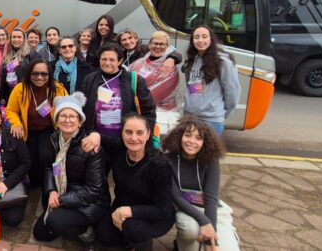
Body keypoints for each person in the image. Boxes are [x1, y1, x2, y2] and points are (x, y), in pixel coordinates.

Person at [31, 93, 107, 243]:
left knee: (54, 222)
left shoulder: (90, 147)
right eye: (63, 116)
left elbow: (94, 190)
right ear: (57, 121)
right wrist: (52, 190)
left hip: (89, 202)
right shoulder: (54, 140)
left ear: (80, 121)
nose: (67, 120)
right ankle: (65, 221)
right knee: (40, 233)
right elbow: (49, 167)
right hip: (64, 193)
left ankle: (86, 229)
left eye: (72, 116)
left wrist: (61, 199)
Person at [94, 114, 175, 250]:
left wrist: (128, 211)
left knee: (132, 228)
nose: (133, 138)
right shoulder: (119, 148)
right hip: (123, 205)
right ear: (122, 133)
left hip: (154, 215)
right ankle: (128, 242)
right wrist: (94, 135)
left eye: (140, 133)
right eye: (128, 132)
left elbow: (163, 209)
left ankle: (141, 244)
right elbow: (100, 137)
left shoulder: (160, 165)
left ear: (148, 134)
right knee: (103, 234)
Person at [162, 116, 239, 251]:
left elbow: (210, 197)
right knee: (190, 231)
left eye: (198, 138)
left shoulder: (211, 160)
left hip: (212, 209)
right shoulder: (167, 160)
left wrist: (211, 236)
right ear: (179, 136)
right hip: (185, 208)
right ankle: (180, 244)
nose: (192, 141)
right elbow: (175, 196)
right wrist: (204, 221)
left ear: (205, 142)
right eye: (188, 135)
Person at [5, 59, 68, 192]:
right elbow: (10, 110)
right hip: (27, 129)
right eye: (35, 74)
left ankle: (47, 185)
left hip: (48, 129)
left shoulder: (58, 89)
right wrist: (16, 123)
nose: (39, 77)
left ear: (49, 75)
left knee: (45, 156)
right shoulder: (20, 89)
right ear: (29, 74)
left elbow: (67, 108)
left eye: (44, 74)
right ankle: (32, 183)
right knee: (29, 158)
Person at [80, 43, 156, 137]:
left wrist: (144, 135)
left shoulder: (134, 80)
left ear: (120, 61)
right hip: (95, 139)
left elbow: (148, 110)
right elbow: (81, 108)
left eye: (112, 60)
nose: (107, 63)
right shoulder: (89, 79)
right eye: (104, 59)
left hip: (125, 140)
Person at [182, 25, 240, 134]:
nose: (200, 40)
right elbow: (192, 88)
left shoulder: (223, 62)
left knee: (208, 151)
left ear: (211, 39)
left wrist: (221, 113)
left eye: (204, 37)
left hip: (211, 120)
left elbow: (232, 93)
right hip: (189, 117)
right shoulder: (191, 61)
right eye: (196, 37)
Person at [129, 31, 181, 134]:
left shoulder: (169, 68)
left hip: (161, 118)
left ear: (168, 47)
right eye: (155, 43)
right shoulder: (139, 63)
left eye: (162, 44)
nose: (158, 46)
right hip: (137, 114)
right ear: (149, 45)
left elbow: (154, 96)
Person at [0, 28, 39, 102]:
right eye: (14, 37)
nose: (16, 39)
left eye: (19, 37)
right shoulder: (7, 54)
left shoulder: (31, 54)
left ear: (24, 39)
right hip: (10, 93)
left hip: (25, 94)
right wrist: (3, 96)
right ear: (10, 39)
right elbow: (4, 78)